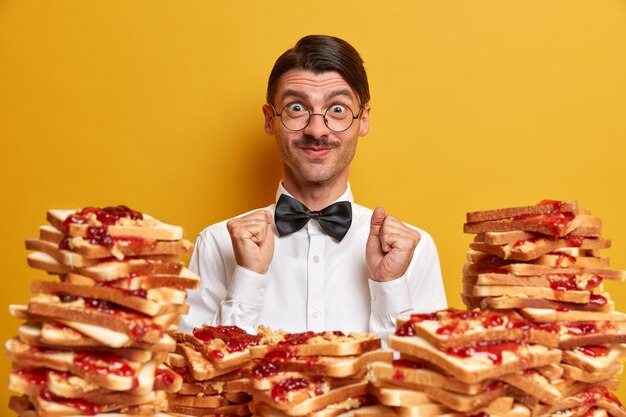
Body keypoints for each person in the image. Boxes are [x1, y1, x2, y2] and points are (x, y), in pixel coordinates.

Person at [181, 35, 447, 337]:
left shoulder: (415, 251)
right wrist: (247, 279)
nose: (316, 130)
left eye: (337, 109)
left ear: (363, 120)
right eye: (296, 107)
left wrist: (390, 286)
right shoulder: (216, 246)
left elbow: (420, 381)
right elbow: (197, 378)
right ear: (270, 120)